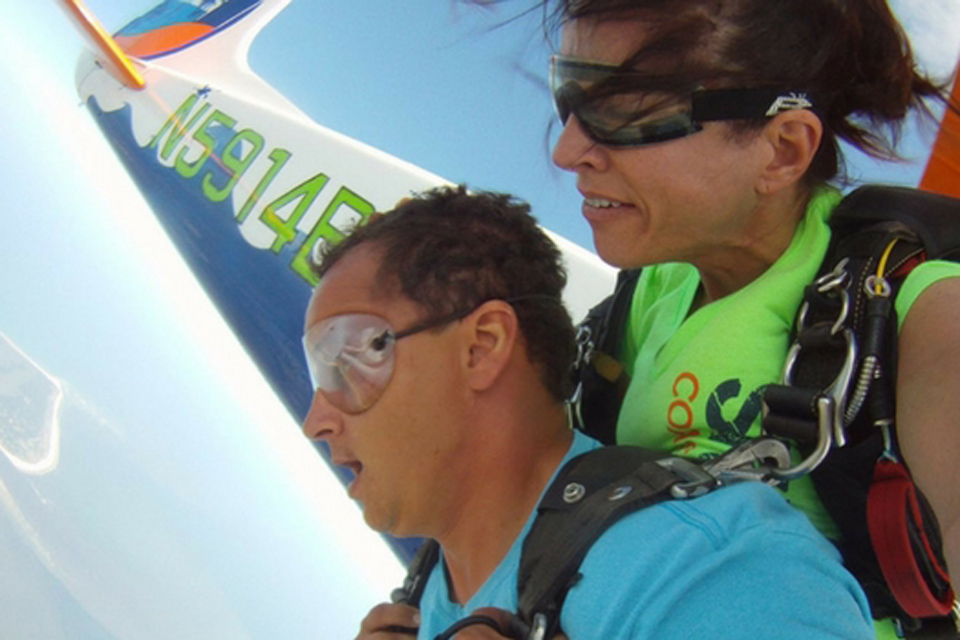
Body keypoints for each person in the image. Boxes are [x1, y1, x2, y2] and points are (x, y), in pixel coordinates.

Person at [505, 0, 959, 637]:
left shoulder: (909, 306)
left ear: (782, 150)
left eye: (626, 111)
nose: (568, 149)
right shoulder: (651, 293)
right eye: (568, 94)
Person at [302, 186, 873, 639]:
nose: (317, 421)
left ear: (482, 346)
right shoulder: (425, 600)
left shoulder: (707, 570)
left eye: (348, 355)